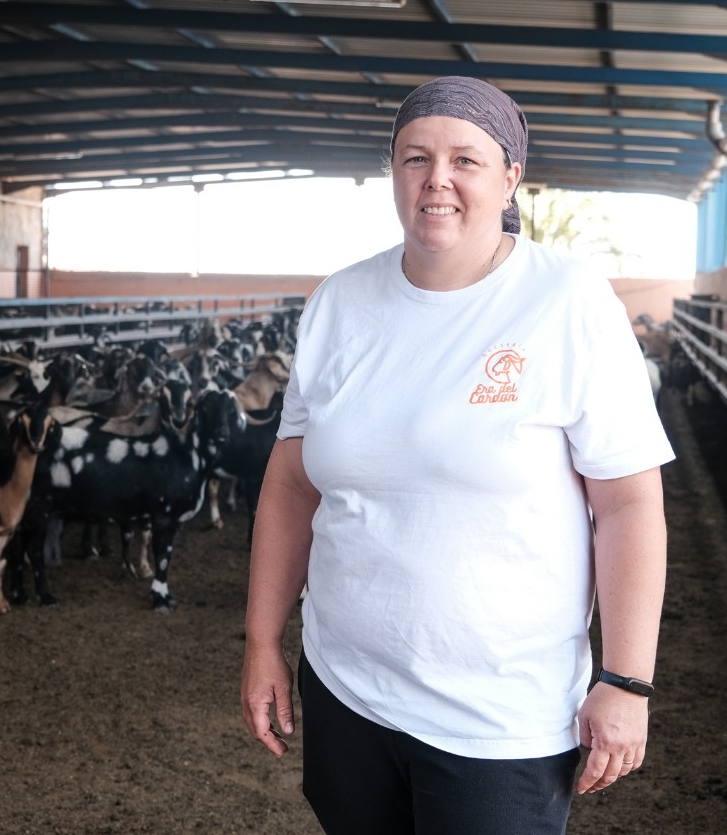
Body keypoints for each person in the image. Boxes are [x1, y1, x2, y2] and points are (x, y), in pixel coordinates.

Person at [240, 76, 674, 834]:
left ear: (510, 177)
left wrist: (626, 680)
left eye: (465, 160)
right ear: (393, 173)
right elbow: (291, 486)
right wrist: (262, 640)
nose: (436, 179)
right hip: (347, 689)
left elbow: (629, 502)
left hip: (500, 715)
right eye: (415, 158)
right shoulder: (339, 303)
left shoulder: (568, 301)